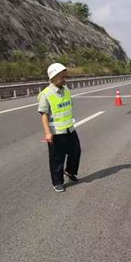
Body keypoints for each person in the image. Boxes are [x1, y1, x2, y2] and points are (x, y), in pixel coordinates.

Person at [38, 63, 81, 192]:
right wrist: (47, 133)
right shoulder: (46, 94)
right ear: (54, 77)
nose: (64, 79)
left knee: (76, 152)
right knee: (57, 158)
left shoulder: (66, 90)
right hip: (56, 132)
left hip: (70, 129)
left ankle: (69, 171)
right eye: (62, 77)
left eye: (64, 77)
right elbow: (44, 114)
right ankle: (57, 182)